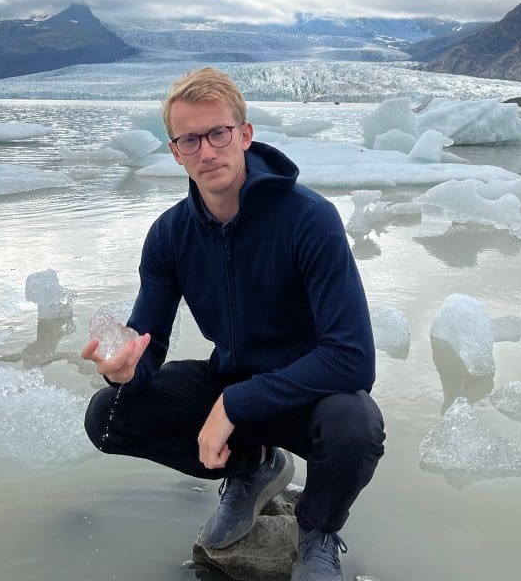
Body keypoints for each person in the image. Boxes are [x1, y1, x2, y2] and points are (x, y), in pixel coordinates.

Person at [83, 67, 385, 580]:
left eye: (218, 133)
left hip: (307, 394)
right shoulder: (169, 235)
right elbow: (148, 343)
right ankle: (253, 469)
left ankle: (317, 529)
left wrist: (233, 404)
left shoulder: (308, 218)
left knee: (355, 425)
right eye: (190, 140)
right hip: (230, 378)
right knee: (108, 416)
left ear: (244, 135)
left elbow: (352, 358)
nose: (206, 151)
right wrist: (126, 370)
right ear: (175, 152)